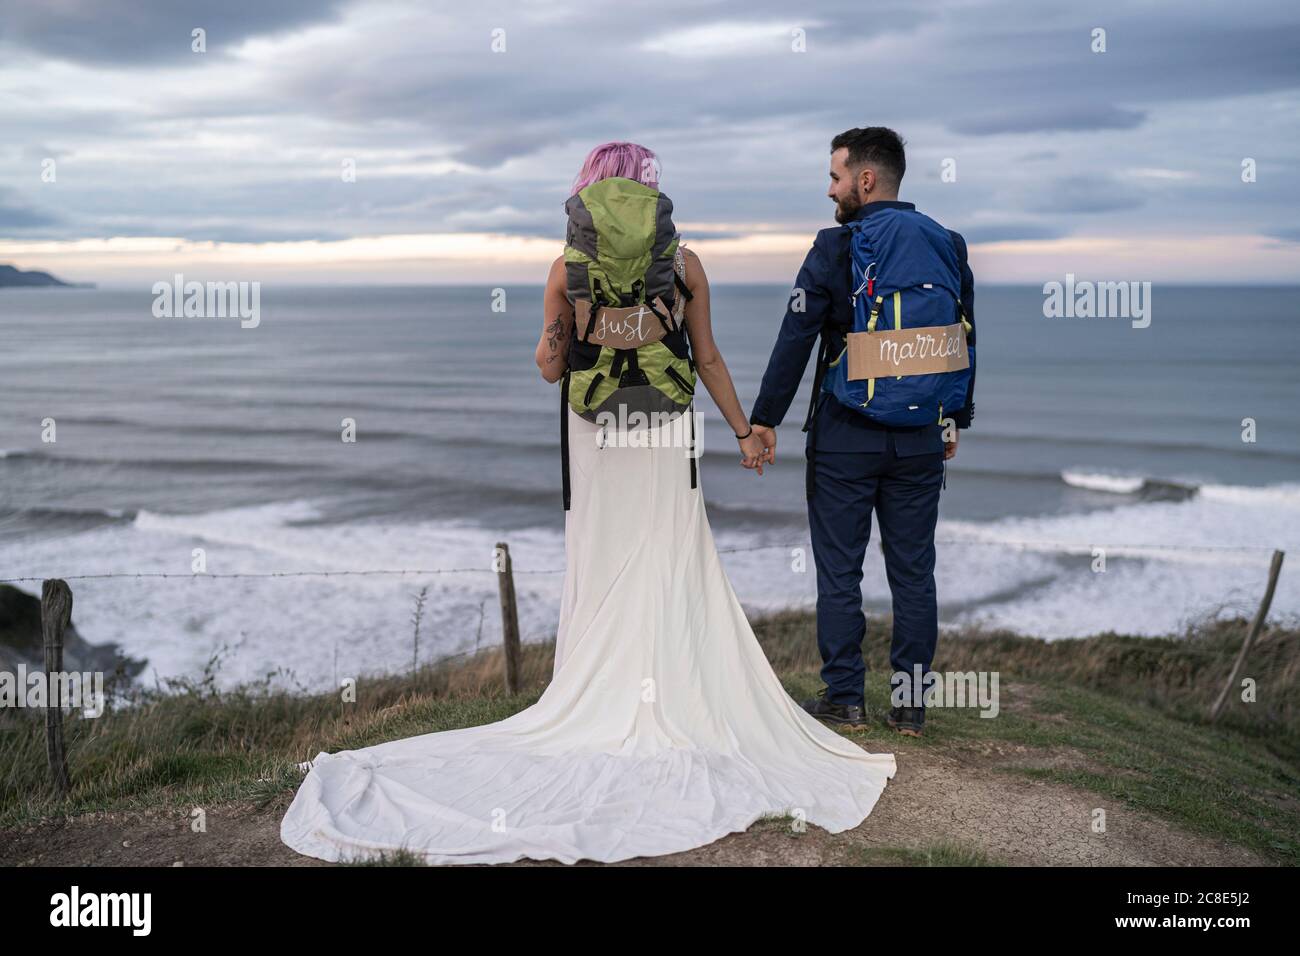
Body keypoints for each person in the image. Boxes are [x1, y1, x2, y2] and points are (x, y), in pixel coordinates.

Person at [279, 141, 896, 866]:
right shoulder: (686, 265)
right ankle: (671, 692)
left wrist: (566, 329)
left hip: (596, 433)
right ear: (650, 197)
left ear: (591, 196)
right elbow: (708, 358)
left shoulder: (566, 270)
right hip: (666, 429)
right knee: (669, 557)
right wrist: (744, 431)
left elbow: (549, 368)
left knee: (602, 560)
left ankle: (594, 693)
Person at [748, 127, 975, 738]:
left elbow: (795, 337)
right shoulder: (949, 244)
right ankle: (910, 706)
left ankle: (845, 698)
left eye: (834, 177)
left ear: (864, 180)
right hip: (921, 439)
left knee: (840, 572)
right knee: (913, 572)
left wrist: (763, 419)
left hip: (846, 436)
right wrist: (954, 417)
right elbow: (961, 339)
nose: (830, 191)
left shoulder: (834, 247)